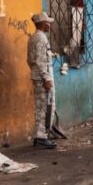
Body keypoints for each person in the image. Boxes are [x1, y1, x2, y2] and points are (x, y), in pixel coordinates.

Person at [27, 12, 57, 149]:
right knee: (46, 107)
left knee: (41, 107)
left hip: (37, 76)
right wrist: (46, 78)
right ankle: (41, 137)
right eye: (47, 23)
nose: (49, 25)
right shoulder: (40, 38)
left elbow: (31, 61)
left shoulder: (33, 38)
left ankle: (41, 136)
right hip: (42, 78)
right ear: (42, 24)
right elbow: (40, 61)